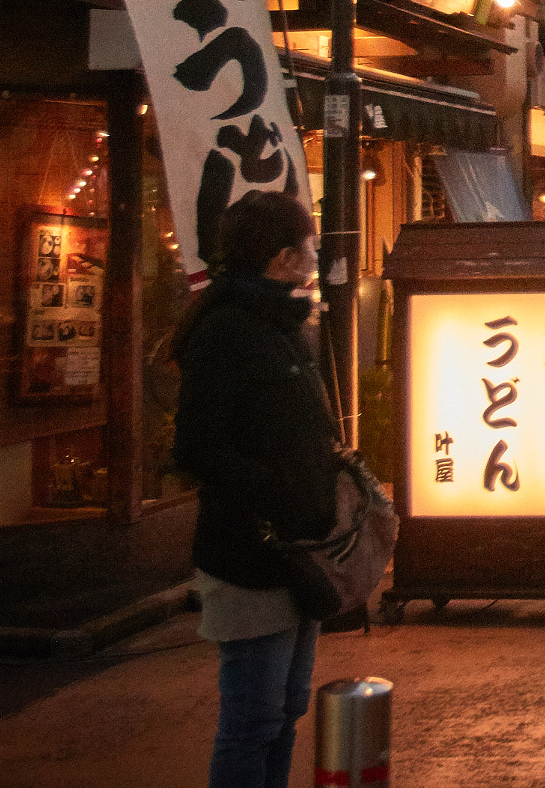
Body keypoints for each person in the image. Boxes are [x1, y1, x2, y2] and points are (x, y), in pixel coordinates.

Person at [174, 192, 340, 788]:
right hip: (248, 552)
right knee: (252, 718)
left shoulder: (280, 324)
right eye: (310, 245)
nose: (316, 255)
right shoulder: (227, 330)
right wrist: (273, 490)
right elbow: (195, 447)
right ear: (282, 257)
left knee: (287, 709)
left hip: (297, 550)